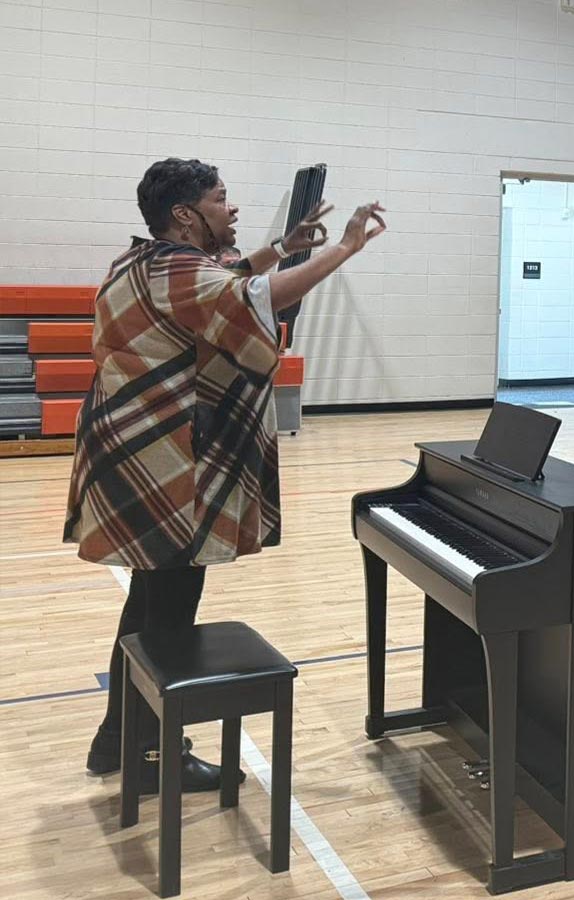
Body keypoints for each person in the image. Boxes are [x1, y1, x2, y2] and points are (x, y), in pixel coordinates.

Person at [74, 159, 386, 785]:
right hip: (169, 463)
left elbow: (222, 282)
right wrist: (346, 248)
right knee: (167, 613)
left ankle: (117, 739)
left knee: (148, 601)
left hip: (129, 457)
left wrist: (281, 248)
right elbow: (253, 296)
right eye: (221, 198)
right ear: (186, 215)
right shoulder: (183, 269)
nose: (232, 208)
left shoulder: (139, 263)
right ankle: (152, 755)